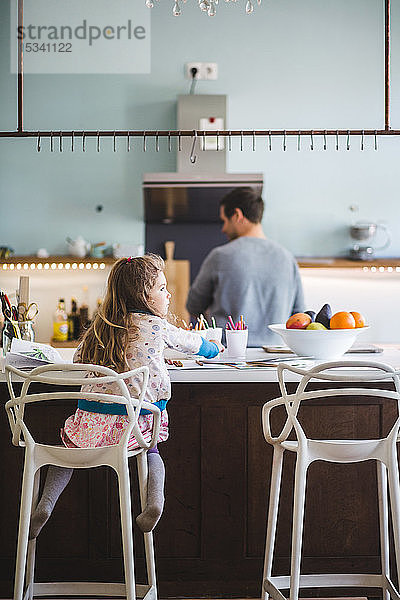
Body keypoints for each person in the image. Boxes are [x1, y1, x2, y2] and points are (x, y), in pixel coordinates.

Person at [29, 254, 223, 539]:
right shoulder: (157, 327)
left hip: (90, 423)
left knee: (66, 452)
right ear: (144, 295)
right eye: (161, 288)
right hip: (138, 424)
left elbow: (80, 360)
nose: (168, 294)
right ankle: (154, 503)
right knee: (152, 450)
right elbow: (195, 344)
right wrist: (214, 347)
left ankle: (45, 505)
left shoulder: (98, 327)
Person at [186, 187, 305, 347]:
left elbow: (193, 305)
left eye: (225, 221)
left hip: (227, 356)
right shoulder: (287, 258)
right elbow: (300, 317)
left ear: (237, 215)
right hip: (276, 357)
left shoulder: (220, 256)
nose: (223, 228)